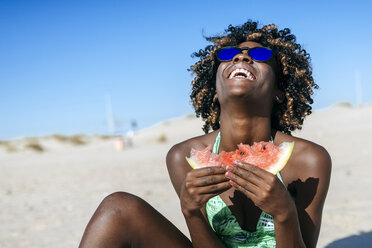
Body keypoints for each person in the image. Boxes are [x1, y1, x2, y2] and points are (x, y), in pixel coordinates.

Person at [79, 20, 331, 248]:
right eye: (230, 54)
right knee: (117, 208)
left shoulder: (309, 160)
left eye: (260, 55)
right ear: (214, 91)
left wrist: (284, 213)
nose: (241, 58)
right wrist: (190, 212)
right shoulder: (182, 157)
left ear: (279, 90)